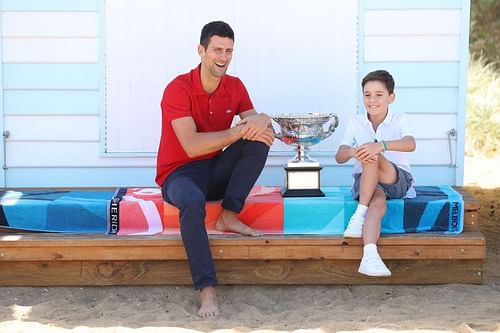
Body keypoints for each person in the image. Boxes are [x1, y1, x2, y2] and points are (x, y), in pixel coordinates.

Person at [155, 21, 273, 319]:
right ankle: (207, 292)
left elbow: (257, 124)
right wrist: (238, 131)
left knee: (259, 141)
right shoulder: (178, 88)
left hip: (214, 170)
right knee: (192, 201)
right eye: (217, 50)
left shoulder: (235, 86)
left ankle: (229, 214)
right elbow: (192, 146)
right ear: (201, 50)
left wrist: (263, 119)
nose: (223, 56)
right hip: (179, 173)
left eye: (229, 51)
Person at [335, 70, 416, 277]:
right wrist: (355, 151)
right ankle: (369, 256)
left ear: (391, 97)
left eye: (379, 94)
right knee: (377, 202)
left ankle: (359, 213)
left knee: (372, 151)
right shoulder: (355, 121)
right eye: (367, 94)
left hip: (396, 179)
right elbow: (340, 155)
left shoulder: (400, 118)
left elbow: (410, 144)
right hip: (366, 183)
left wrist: (380, 146)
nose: (372, 100)